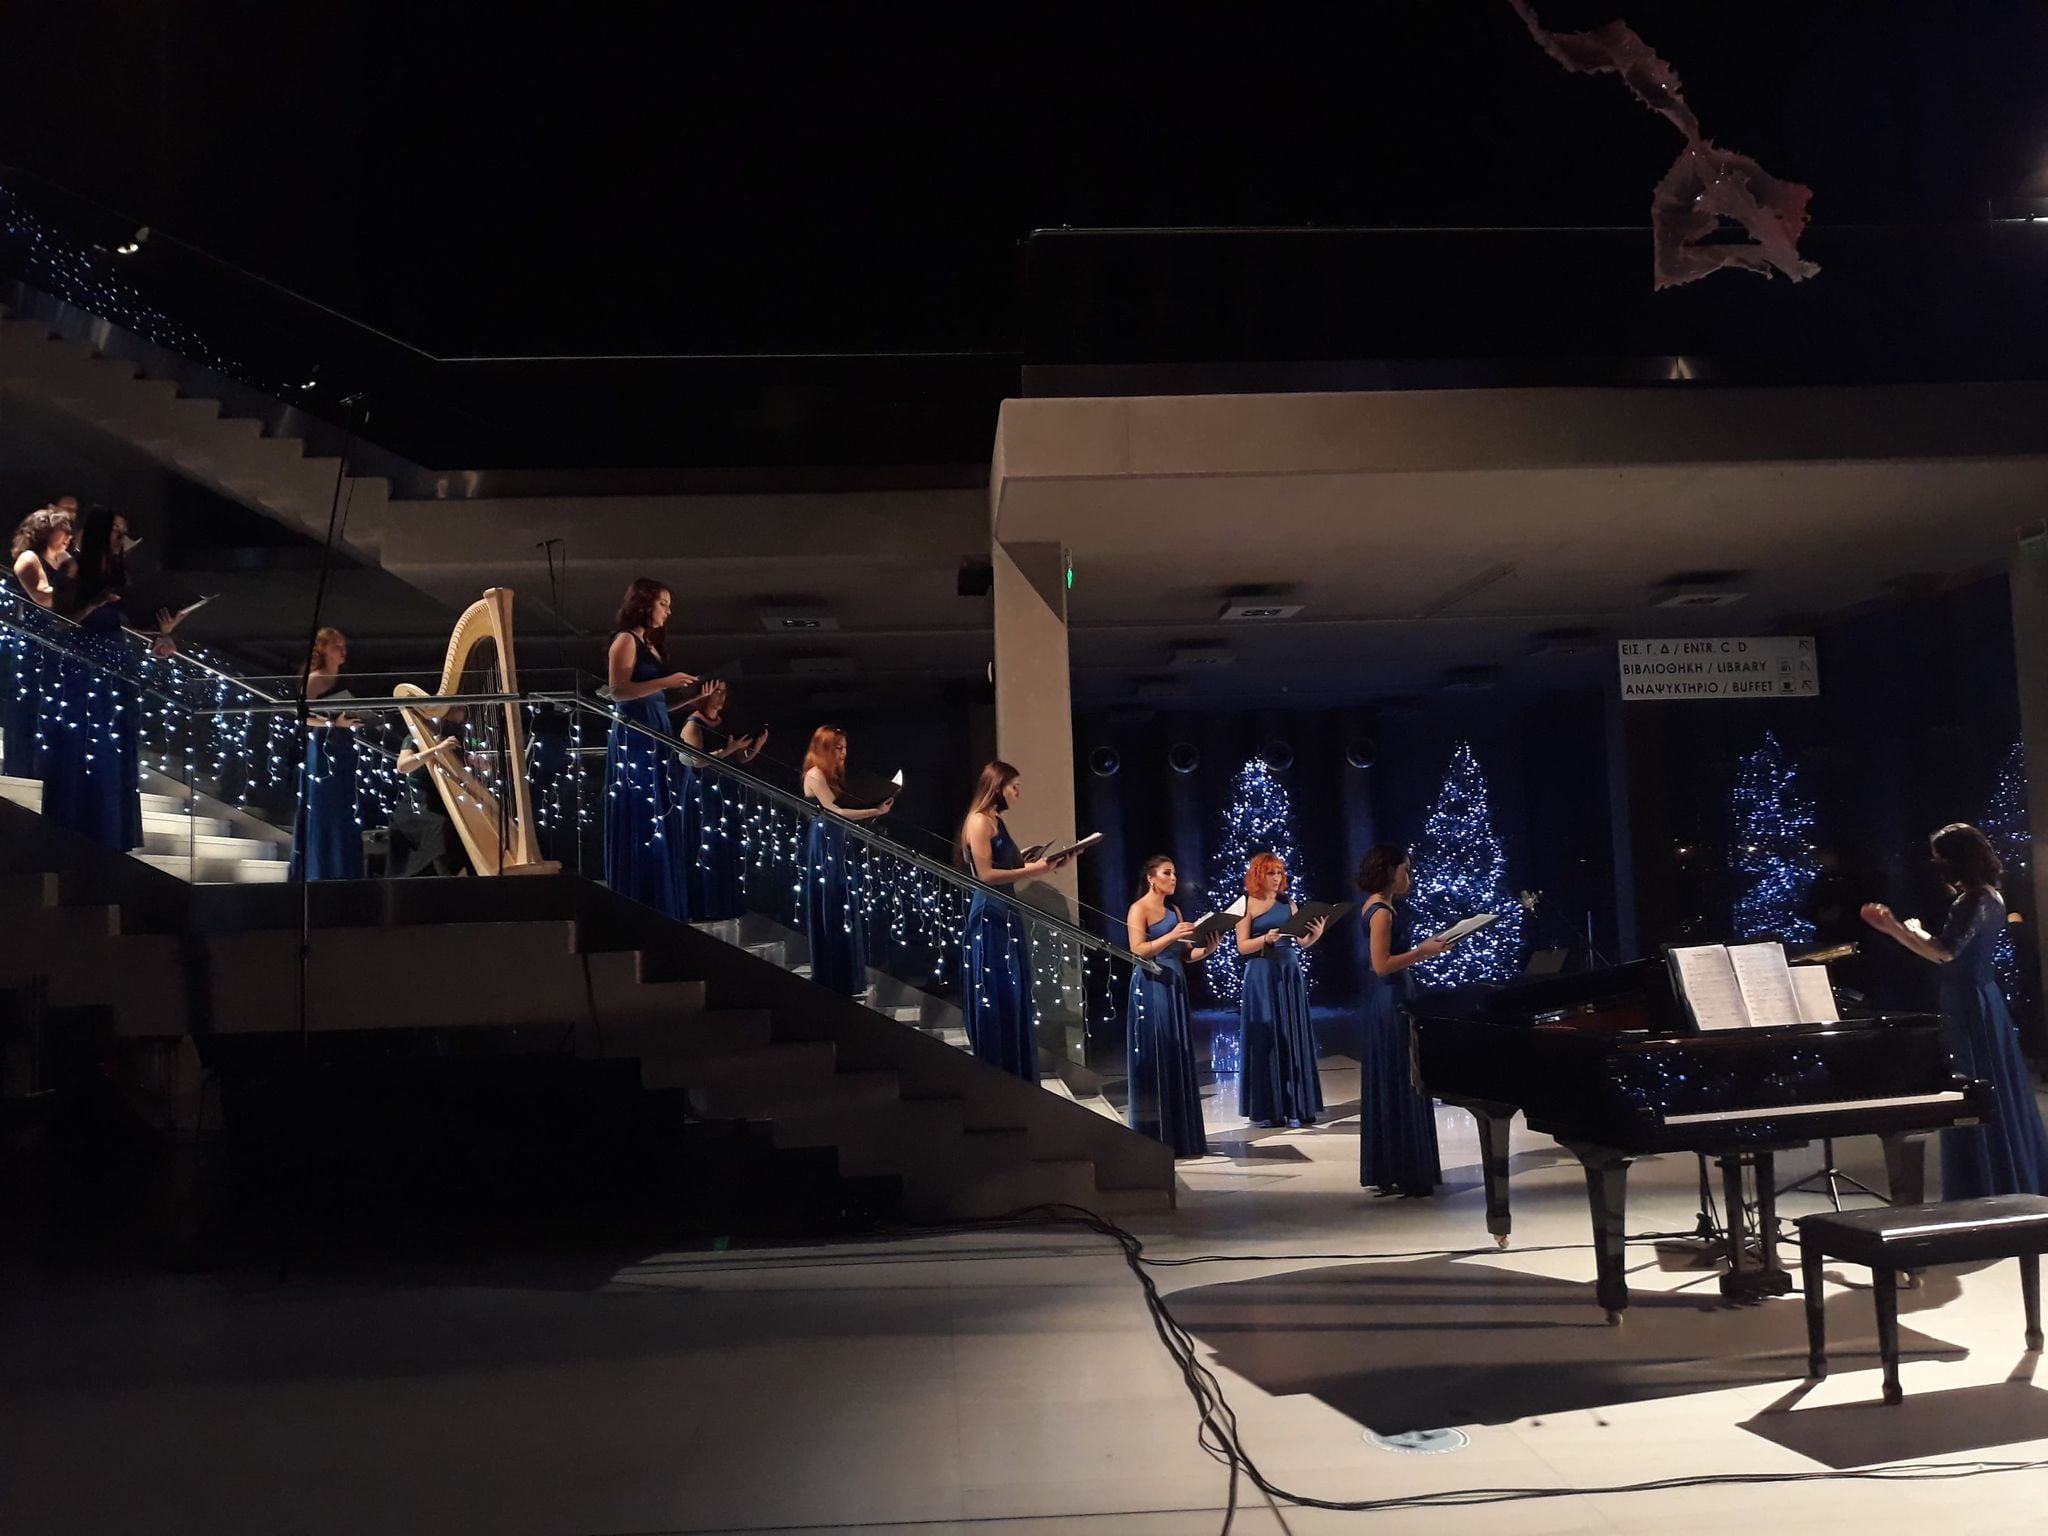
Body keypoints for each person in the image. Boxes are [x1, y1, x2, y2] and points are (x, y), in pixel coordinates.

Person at [1862, 823, 2048, 1200]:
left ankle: (1985, 1185)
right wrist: (1909, 933)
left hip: (1967, 1003)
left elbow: (1945, 953)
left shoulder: (1973, 900)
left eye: (1939, 858)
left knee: (1971, 1088)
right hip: (1982, 998)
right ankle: (2008, 1179)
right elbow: (1947, 950)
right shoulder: (1991, 896)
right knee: (1996, 1087)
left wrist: (1895, 929)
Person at [38, 508, 174, 851]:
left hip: (116, 667)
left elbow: (132, 621)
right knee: (83, 743)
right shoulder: (74, 568)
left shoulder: (121, 574)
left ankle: (111, 828)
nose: (121, 538)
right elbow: (58, 623)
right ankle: (73, 825)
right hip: (82, 666)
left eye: (123, 531)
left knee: (113, 744)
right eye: (115, 530)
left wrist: (163, 633)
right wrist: (93, 604)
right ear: (100, 532)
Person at [955, 760, 1061, 1080]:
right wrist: (1032, 870)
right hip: (990, 911)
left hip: (1006, 909)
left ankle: (1015, 1069)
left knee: (1013, 989)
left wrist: (1046, 864)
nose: (1018, 793)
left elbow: (1007, 865)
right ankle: (999, 1072)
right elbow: (986, 875)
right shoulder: (979, 820)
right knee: (998, 988)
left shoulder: (995, 819)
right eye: (1014, 786)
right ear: (997, 787)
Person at [1356, 844, 1452, 1196]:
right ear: (1389, 871)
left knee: (1397, 1078)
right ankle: (1407, 1169)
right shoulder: (1381, 911)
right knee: (1404, 1077)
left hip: (1391, 997)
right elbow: (1381, 965)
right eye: (1405, 870)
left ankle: (1394, 1166)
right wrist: (1422, 952)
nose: (1409, 877)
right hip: (1391, 1000)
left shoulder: (1379, 906)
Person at [602, 579, 700, 919]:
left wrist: (689, 700)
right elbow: (617, 691)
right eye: (663, 604)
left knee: (661, 807)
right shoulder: (625, 640)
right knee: (644, 809)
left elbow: (652, 700)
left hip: (655, 730)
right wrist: (667, 681)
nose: (668, 612)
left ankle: (663, 898)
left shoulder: (648, 643)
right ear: (644, 604)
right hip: (636, 736)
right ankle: (642, 897)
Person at [1125, 854, 1215, 1157]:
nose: (1173, 878)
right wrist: (1172, 935)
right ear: (1151, 878)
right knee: (1157, 1052)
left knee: (1176, 1053)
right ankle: (1154, 1136)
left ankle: (1180, 1135)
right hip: (1151, 985)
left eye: (1174, 873)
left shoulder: (1174, 910)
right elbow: (1138, 950)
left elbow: (1186, 955)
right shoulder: (1138, 909)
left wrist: (1208, 948)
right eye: (1167, 873)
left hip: (1175, 984)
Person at [1235, 851, 1328, 1128]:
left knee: (1293, 1032)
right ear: (1258, 875)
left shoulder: (1289, 903)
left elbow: (1302, 941)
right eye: (1270, 873)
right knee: (1267, 1038)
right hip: (1262, 974)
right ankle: (1270, 1108)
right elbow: (1242, 947)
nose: (1276, 878)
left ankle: (1299, 1105)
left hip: (1288, 972)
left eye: (1279, 873)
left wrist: (1316, 934)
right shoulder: (1245, 904)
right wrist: (1265, 938)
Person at [801, 725, 892, 996]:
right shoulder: (815, 774)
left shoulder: (832, 776)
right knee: (832, 900)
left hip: (837, 837)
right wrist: (873, 811)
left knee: (843, 902)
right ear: (824, 749)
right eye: (837, 748)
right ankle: (832, 975)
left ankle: (847, 975)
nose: (842, 753)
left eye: (844, 748)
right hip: (825, 839)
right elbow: (834, 811)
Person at [679, 679, 765, 922]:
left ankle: (725, 902)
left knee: (726, 844)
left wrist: (753, 748)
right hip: (703, 791)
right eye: (717, 691)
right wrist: (729, 750)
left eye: (725, 692)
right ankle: (705, 904)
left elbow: (735, 758)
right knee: (706, 845)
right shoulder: (693, 724)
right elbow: (696, 760)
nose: (722, 697)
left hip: (725, 789)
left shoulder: (723, 722)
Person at [288, 626, 364, 881]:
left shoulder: (346, 678)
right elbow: (301, 717)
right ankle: (321, 872)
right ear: (322, 649)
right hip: (322, 751)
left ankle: (344, 872)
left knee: (345, 812)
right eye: (336, 646)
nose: (343, 651)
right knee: (324, 811)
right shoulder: (314, 679)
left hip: (345, 749)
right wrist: (333, 723)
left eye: (344, 646)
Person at [2, 507, 73, 777]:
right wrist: (80, 589)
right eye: (63, 530)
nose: (69, 536)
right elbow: (42, 596)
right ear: (45, 531)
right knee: (29, 707)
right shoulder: (29, 558)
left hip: (58, 646)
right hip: (34, 645)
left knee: (55, 709)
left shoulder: (65, 560)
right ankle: (22, 769)